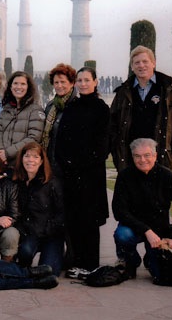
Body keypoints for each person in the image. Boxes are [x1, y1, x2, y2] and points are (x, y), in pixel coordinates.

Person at [55, 67, 109, 273]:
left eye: (87, 80)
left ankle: (90, 265)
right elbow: (62, 140)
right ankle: (77, 263)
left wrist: (81, 165)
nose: (83, 84)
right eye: (80, 80)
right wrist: (67, 163)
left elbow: (103, 144)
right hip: (71, 174)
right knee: (74, 219)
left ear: (95, 82)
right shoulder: (72, 107)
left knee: (90, 221)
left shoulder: (101, 108)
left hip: (91, 175)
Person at [112, 138, 172, 281]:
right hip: (133, 227)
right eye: (137, 156)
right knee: (122, 235)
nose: (142, 160)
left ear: (155, 156)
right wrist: (146, 230)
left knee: (159, 275)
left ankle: (150, 258)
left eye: (147, 155)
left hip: (159, 230)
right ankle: (130, 261)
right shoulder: (125, 176)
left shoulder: (166, 176)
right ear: (132, 157)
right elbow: (119, 210)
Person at [109, 45, 172, 172]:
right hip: (129, 160)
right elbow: (112, 125)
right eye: (137, 63)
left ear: (153, 63)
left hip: (160, 159)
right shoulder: (123, 92)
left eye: (145, 61)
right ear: (132, 67)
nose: (141, 65)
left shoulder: (169, 91)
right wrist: (117, 153)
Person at [13, 142, 64, 277]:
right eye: (27, 156)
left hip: (50, 234)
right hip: (30, 233)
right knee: (25, 255)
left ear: (41, 161)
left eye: (35, 157)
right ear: (21, 159)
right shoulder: (17, 182)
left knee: (49, 273)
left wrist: (47, 229)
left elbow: (61, 214)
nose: (30, 160)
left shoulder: (52, 183)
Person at [0, 71, 45, 172]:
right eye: (15, 83)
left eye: (23, 84)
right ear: (10, 87)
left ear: (28, 87)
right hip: (3, 164)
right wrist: (0, 154)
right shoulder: (6, 110)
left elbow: (33, 138)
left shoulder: (35, 110)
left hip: (22, 166)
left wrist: (8, 153)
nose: (19, 87)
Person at [40, 63, 77, 178]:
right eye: (56, 82)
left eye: (63, 82)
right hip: (50, 164)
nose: (59, 85)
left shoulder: (78, 106)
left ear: (72, 83)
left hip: (69, 167)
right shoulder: (51, 106)